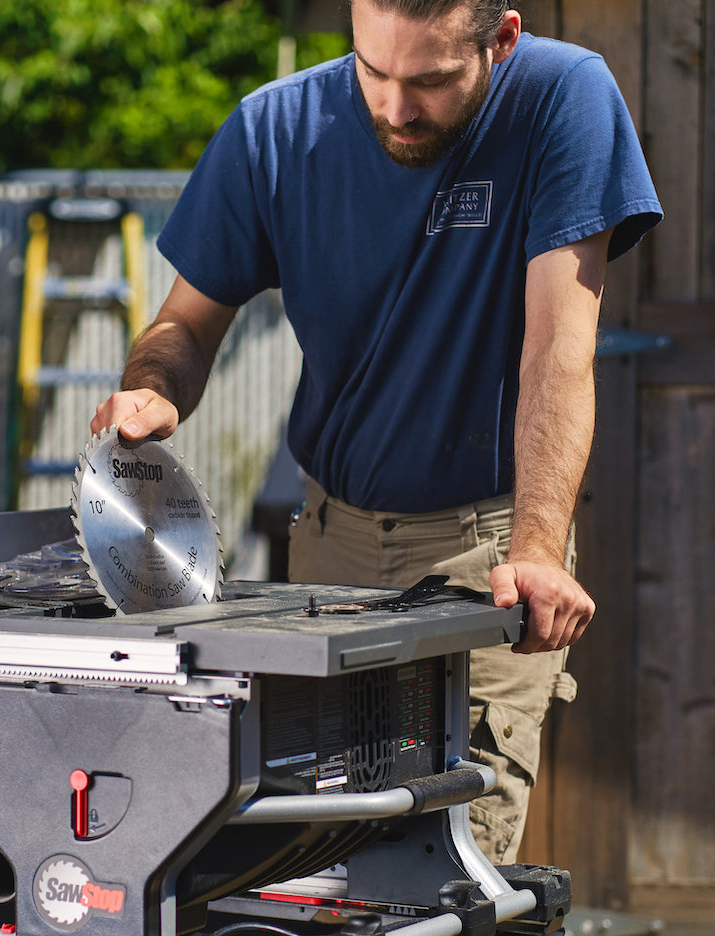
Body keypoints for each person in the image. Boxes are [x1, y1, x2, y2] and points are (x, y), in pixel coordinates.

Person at [90, 0, 662, 864]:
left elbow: (557, 348)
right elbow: (183, 325)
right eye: (373, 71)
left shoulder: (563, 98)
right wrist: (152, 392)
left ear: (501, 40)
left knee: (449, 863)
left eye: (430, 80)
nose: (395, 109)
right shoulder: (273, 127)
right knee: (319, 858)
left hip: (488, 559)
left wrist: (540, 546)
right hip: (330, 551)